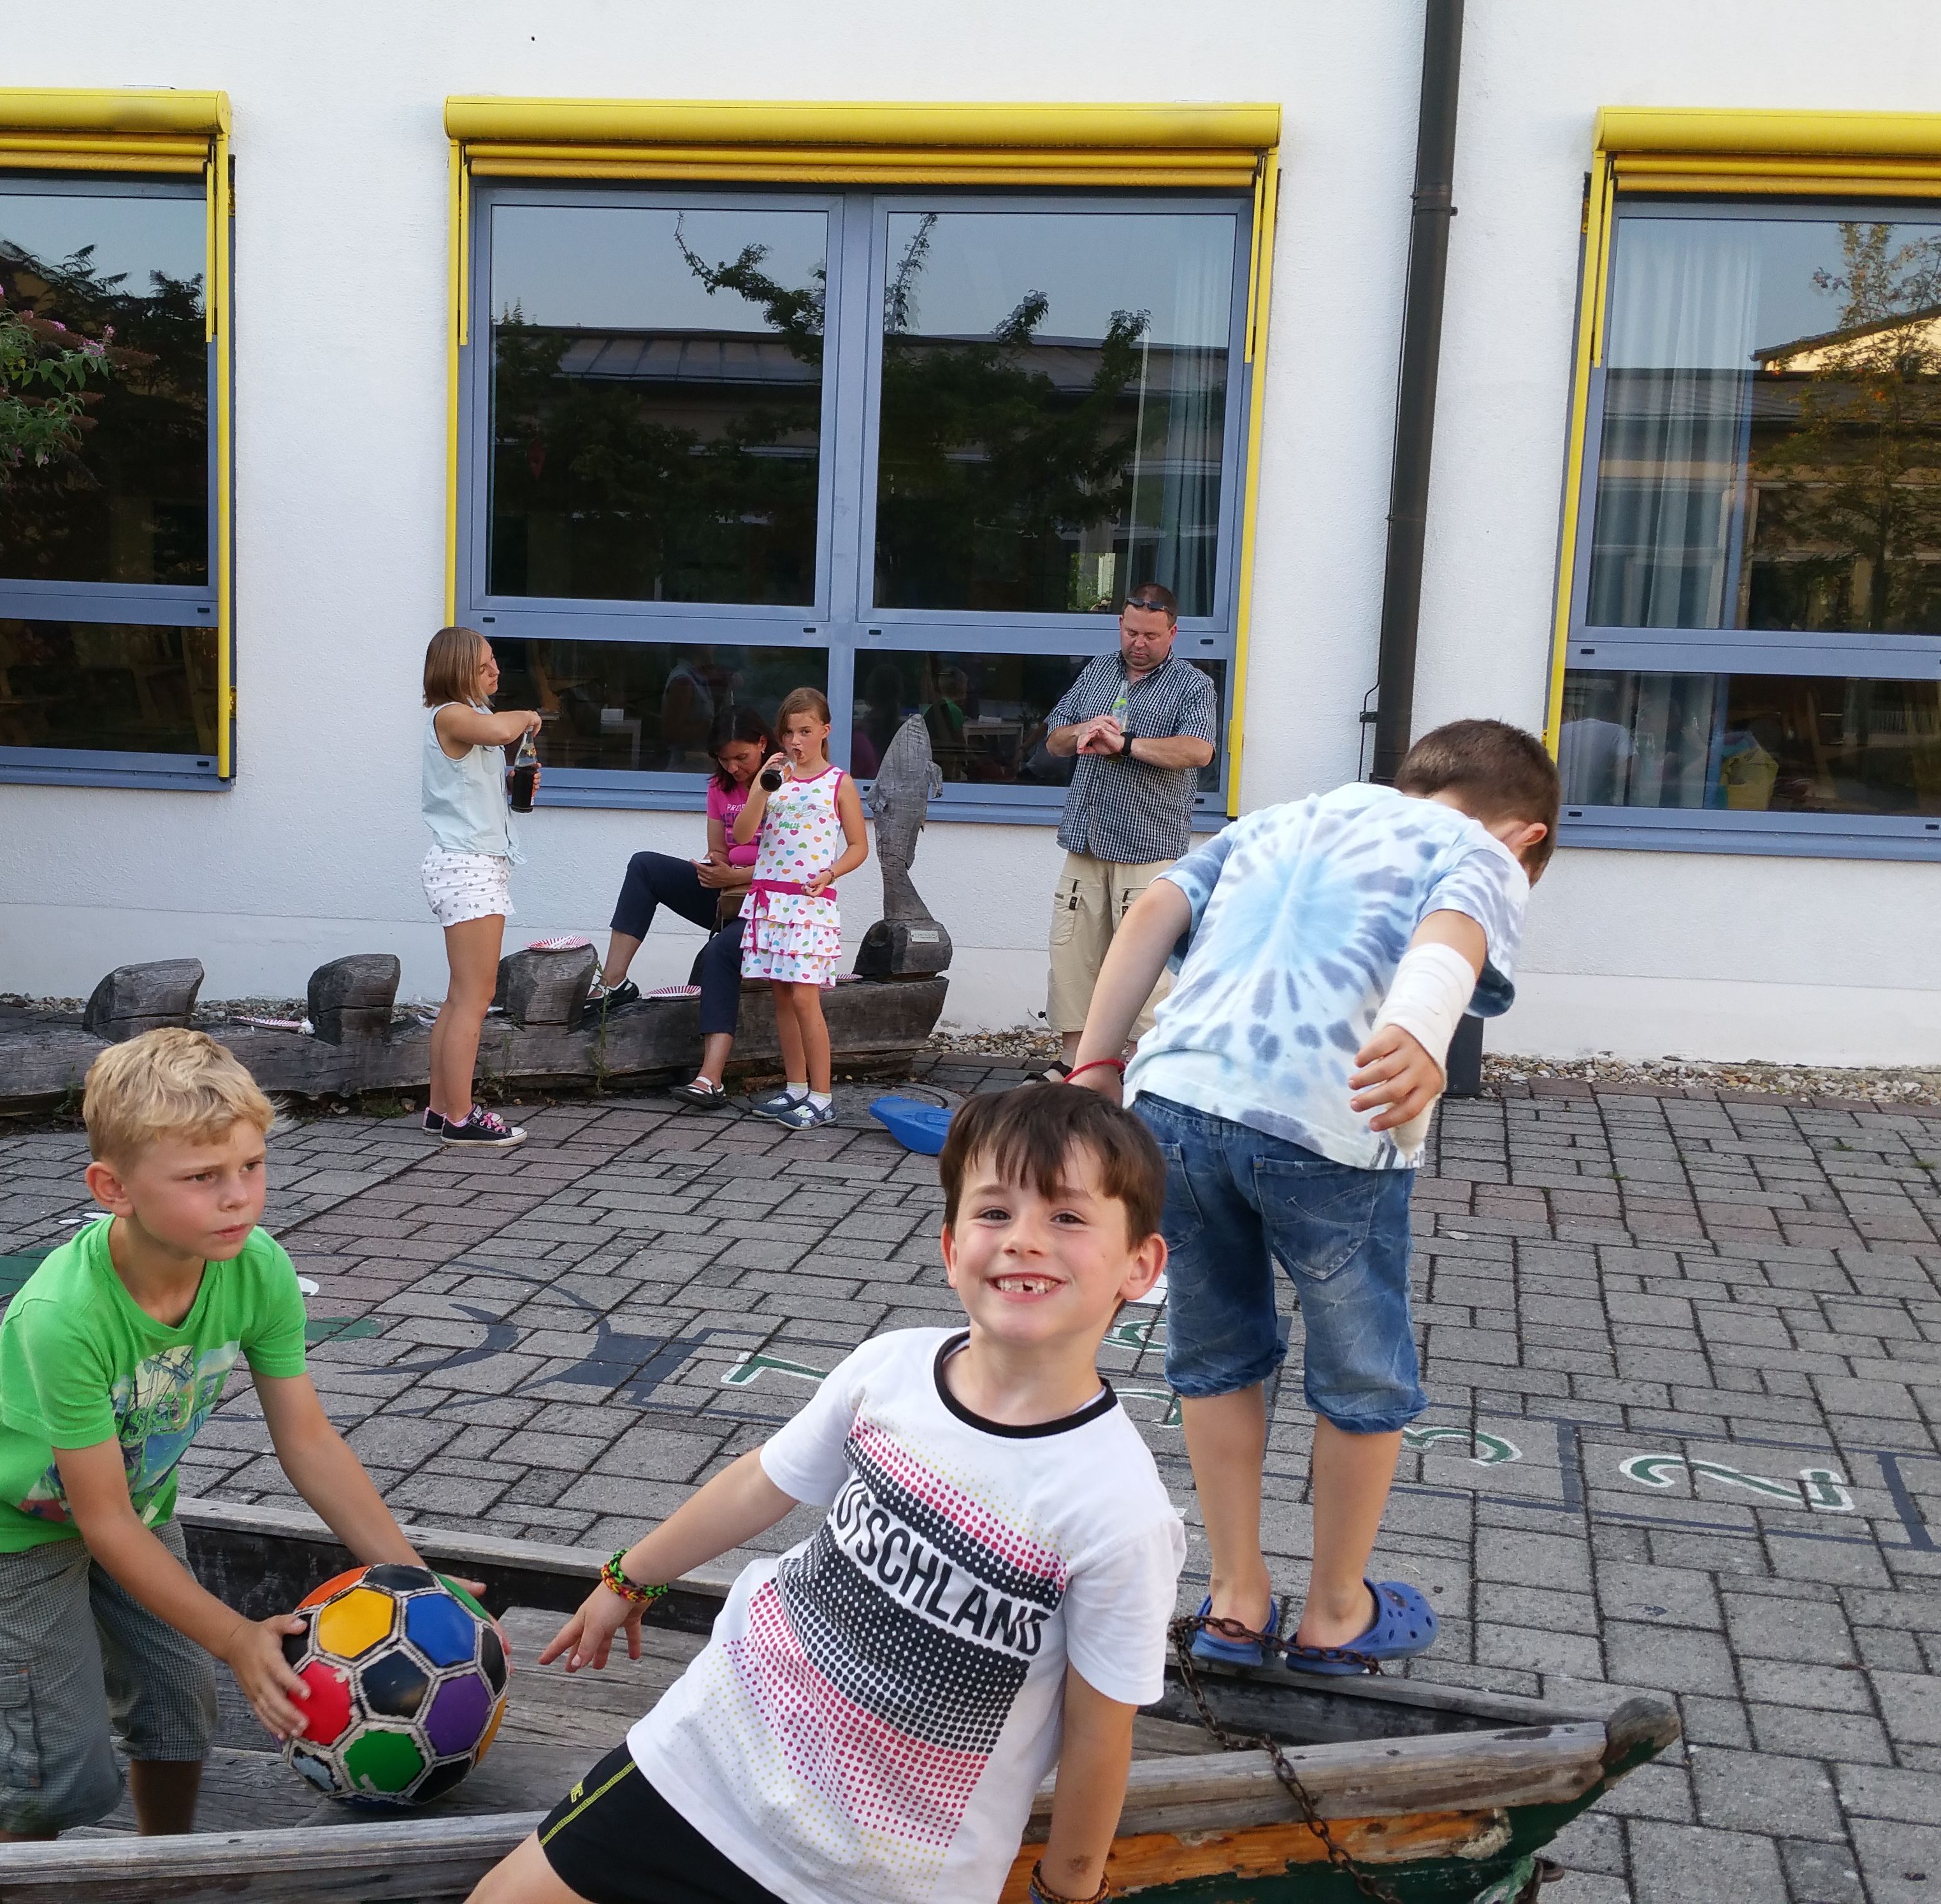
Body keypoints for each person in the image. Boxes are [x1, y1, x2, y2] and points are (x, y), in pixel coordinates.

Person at [465, 1085, 1185, 1904]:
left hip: (876, 1875)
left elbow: (1099, 1731)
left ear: (1140, 1265)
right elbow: (759, 1483)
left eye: (1066, 1216)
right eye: (993, 1212)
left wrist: (1067, 1891)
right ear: (951, 1248)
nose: (1023, 1239)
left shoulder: (1119, 1510)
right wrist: (629, 1578)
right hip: (708, 1761)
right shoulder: (891, 1369)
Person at [1071, 719, 1556, 1675]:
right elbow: (1451, 936)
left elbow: (1154, 907)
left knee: (1213, 1351)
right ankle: (1336, 1611)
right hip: (1328, 1127)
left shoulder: (1281, 818)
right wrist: (1419, 1031)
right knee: (1362, 1370)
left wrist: (1094, 1062)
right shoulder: (1478, 849)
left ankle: (1234, 1601)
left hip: (1176, 1104)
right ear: (1525, 838)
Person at [0, 1029, 454, 1840]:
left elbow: (307, 1439)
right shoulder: (65, 1315)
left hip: (130, 1506)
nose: (238, 1197)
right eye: (202, 1177)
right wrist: (235, 1636)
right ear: (114, 1189)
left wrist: (411, 1578)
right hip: (2, 1525)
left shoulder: (257, 1269)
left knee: (179, 1704)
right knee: (56, 1767)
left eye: (251, 1165)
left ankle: (162, 1870)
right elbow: (100, 1522)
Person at [1036, 581, 1220, 1077]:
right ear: (1121, 625)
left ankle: (1141, 1068)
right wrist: (1082, 731)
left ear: (1173, 633)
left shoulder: (1192, 685)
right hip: (1086, 839)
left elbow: (1198, 750)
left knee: (1145, 965)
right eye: (1132, 632)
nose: (1139, 643)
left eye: (1151, 636)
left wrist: (1128, 744)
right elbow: (1053, 739)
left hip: (1148, 846)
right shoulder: (1097, 670)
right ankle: (1075, 1062)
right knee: (1073, 953)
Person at [588, 704, 767, 1109]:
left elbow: (794, 865)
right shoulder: (719, 786)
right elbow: (719, 848)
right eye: (724, 759)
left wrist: (734, 876)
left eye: (741, 757)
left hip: (771, 904)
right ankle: (613, 985)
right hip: (728, 896)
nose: (734, 767)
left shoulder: (784, 783)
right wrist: (713, 866)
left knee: (720, 951)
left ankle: (711, 1079)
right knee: (645, 866)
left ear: (762, 743)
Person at [420, 623, 540, 1148]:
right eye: (485, 662)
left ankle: (439, 1109)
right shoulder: (451, 714)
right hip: (467, 868)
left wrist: (512, 784)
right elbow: (499, 732)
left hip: (476, 864)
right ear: (459, 669)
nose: (496, 670)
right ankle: (461, 1118)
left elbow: (480, 769)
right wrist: (529, 717)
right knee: (475, 998)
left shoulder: (471, 720)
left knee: (458, 998)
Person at [730, 686, 867, 1130]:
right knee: (783, 997)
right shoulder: (775, 779)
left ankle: (822, 1097)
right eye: (788, 732)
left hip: (809, 903)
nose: (795, 741)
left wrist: (832, 873)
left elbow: (859, 846)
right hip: (770, 901)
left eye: (805, 731)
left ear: (825, 731)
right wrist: (761, 786)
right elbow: (743, 835)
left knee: (806, 998)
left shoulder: (838, 782)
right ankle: (795, 1088)